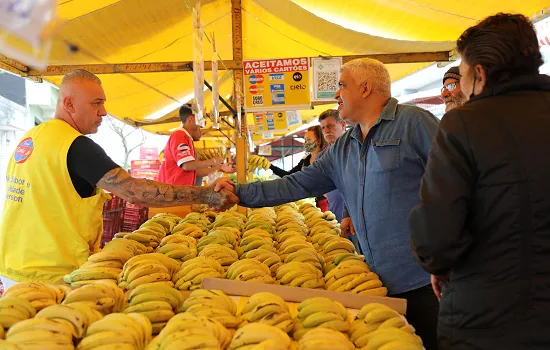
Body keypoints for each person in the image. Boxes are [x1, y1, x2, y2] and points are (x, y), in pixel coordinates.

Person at [215, 58, 440, 348]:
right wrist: (240, 193)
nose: (336, 95)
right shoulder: (343, 148)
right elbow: (297, 183)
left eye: (342, 86)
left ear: (366, 88)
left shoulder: (414, 123)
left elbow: (457, 183)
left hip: (425, 279)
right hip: (374, 283)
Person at [0, 69, 238, 287]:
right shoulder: (75, 145)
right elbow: (134, 190)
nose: (103, 112)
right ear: (69, 104)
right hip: (53, 275)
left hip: (14, 268)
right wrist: (206, 194)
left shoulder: (31, 137)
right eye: (96, 104)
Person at [409, 13, 550, 349]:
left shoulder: (463, 125)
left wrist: (437, 263)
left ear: (480, 75)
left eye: (464, 74)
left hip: (487, 320)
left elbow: (437, 237)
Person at [317, 109, 361, 253]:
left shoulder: (356, 149)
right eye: (323, 128)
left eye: (330, 126)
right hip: (335, 219)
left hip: (357, 220)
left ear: (342, 125)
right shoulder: (321, 158)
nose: (326, 130)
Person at [158, 104, 235, 186]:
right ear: (191, 119)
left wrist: (219, 168)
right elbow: (187, 165)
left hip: (179, 191)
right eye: (200, 118)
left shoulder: (187, 138)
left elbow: (195, 172)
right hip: (171, 192)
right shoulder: (179, 135)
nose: (202, 123)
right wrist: (213, 161)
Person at [268, 125, 329, 211]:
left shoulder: (327, 158)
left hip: (326, 203)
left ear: (318, 141)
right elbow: (289, 175)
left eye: (309, 140)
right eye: (305, 140)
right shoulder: (305, 160)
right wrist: (270, 166)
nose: (305, 143)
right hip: (311, 204)